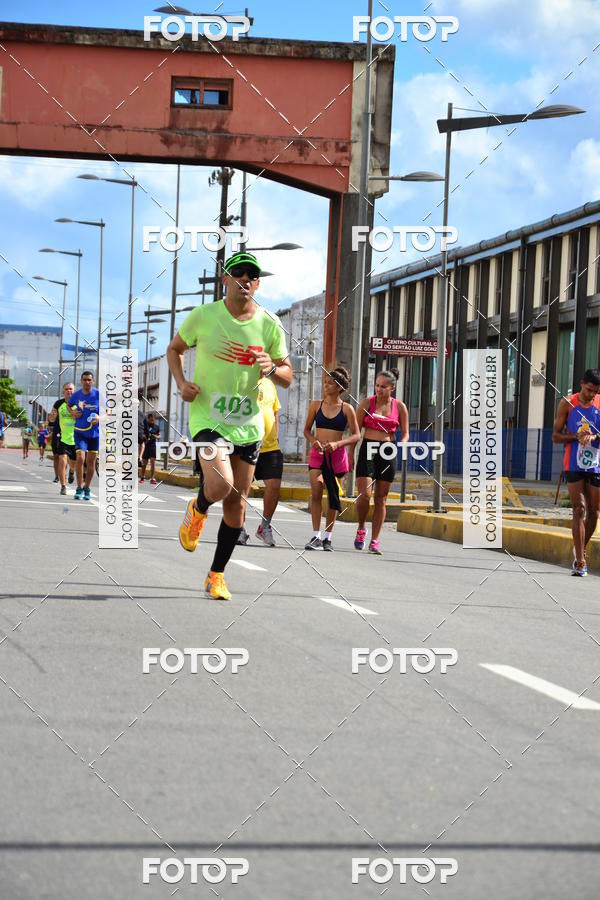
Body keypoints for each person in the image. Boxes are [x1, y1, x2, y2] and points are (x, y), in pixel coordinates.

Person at [167, 251, 292, 601]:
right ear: (225, 279)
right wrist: (181, 383)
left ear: (258, 283)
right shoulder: (204, 316)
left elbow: (287, 375)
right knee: (220, 484)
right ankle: (199, 508)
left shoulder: (269, 324)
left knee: (237, 505)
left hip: (248, 425)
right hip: (208, 418)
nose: (246, 280)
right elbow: (174, 349)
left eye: (252, 276)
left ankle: (216, 575)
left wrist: (272, 369)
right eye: (238, 274)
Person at [350, 369, 409, 555]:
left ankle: (375, 540)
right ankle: (361, 528)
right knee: (365, 495)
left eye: (383, 386)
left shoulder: (400, 407)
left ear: (392, 387)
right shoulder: (367, 403)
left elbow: (405, 432)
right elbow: (356, 431)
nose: (379, 389)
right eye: (377, 385)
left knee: (381, 499)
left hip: (388, 450)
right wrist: (351, 453)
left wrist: (404, 443)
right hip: (368, 448)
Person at [302, 366, 360, 550]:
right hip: (317, 455)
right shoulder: (315, 405)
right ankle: (316, 536)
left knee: (333, 496)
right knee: (317, 492)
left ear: (340, 387)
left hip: (337, 457)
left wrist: (338, 444)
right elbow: (306, 430)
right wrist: (313, 441)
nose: (326, 386)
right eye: (325, 383)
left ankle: (328, 538)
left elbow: (356, 435)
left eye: (330, 384)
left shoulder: (347, 409)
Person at [552, 368, 600, 577]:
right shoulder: (567, 403)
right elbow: (555, 436)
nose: (592, 395)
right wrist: (576, 437)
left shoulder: (599, 403)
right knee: (578, 509)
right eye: (589, 390)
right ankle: (580, 561)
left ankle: (580, 547)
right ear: (582, 383)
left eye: (596, 391)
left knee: (594, 512)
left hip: (595, 464)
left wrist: (594, 438)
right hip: (572, 464)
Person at [238, 375, 283, 547]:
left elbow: (275, 413)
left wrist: (276, 436)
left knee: (274, 486)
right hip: (245, 443)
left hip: (269, 447)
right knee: (241, 489)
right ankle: (239, 528)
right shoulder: (242, 379)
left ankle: (264, 526)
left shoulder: (270, 384)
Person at [68, 371, 100, 501]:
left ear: (93, 381)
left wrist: (100, 417)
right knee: (80, 458)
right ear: (81, 381)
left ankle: (87, 487)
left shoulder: (98, 394)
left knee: (91, 462)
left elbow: (109, 410)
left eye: (89, 380)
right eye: (85, 380)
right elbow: (69, 405)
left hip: (94, 433)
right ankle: (79, 487)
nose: (87, 382)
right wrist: (73, 413)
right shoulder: (76, 395)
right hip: (80, 432)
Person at [49, 383, 77, 495]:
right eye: (66, 389)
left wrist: (72, 411)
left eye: (71, 389)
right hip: (62, 436)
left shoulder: (78, 403)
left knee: (73, 463)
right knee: (63, 459)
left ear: (74, 391)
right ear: (63, 392)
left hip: (76, 437)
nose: (69, 391)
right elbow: (51, 418)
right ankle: (63, 486)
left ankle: (71, 471)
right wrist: (52, 416)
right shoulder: (58, 403)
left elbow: (80, 416)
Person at [140, 412, 160, 484]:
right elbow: (141, 434)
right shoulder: (145, 426)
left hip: (153, 447)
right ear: (148, 419)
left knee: (153, 463)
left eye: (153, 420)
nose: (152, 421)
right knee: (144, 463)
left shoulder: (156, 427)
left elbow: (159, 436)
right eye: (151, 420)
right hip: (146, 446)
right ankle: (142, 477)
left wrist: (155, 436)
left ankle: (152, 478)